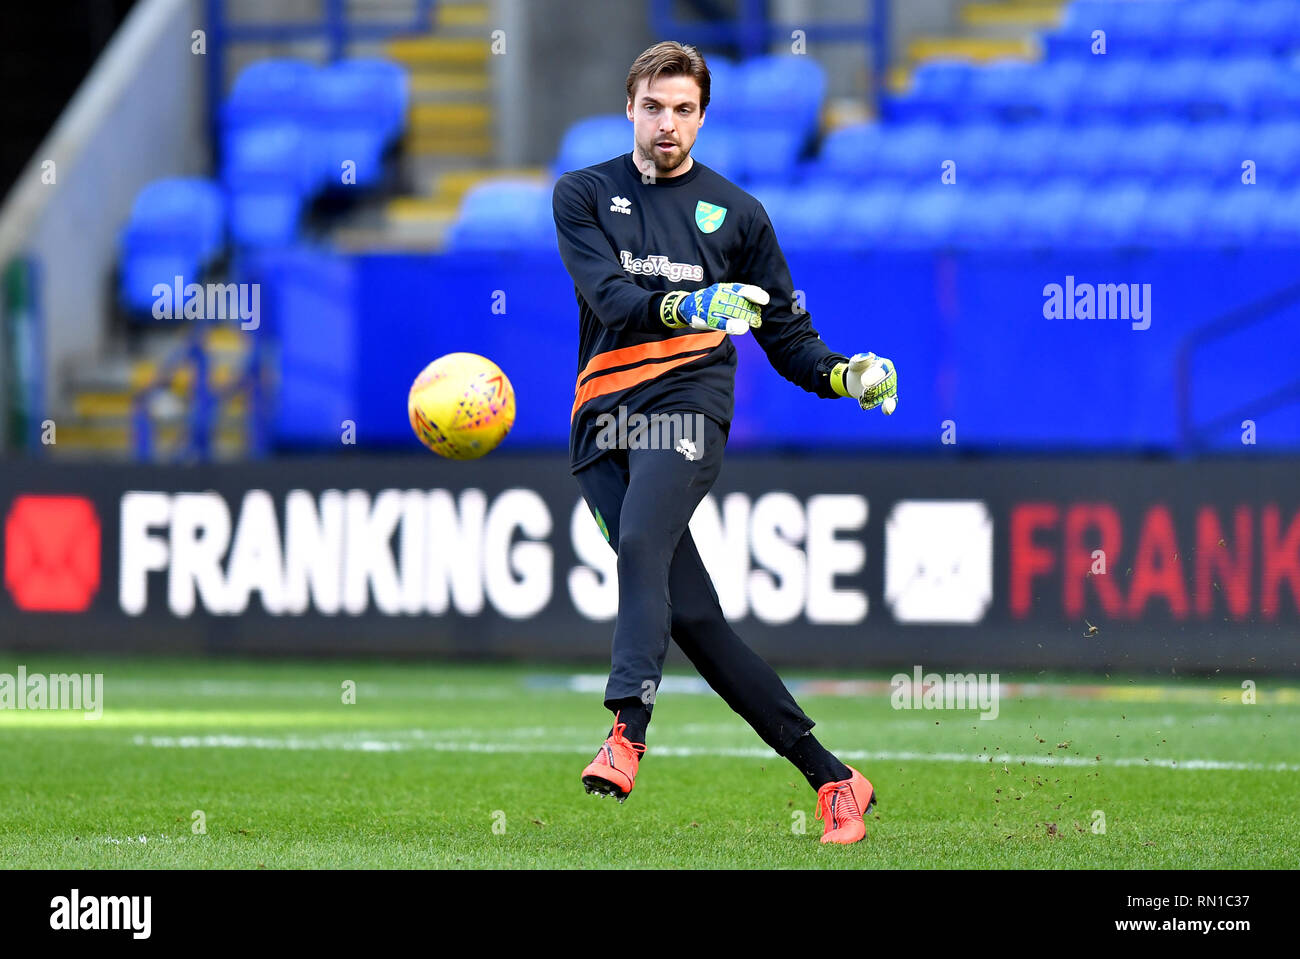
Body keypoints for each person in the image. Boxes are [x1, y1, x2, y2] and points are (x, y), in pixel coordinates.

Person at [551, 40, 898, 844]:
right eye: (652, 107)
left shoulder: (739, 215)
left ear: (702, 116)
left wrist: (848, 374)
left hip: (687, 404)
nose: (666, 124)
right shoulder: (583, 194)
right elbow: (609, 295)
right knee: (699, 622)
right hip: (603, 423)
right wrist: (692, 305)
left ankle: (625, 730)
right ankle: (835, 778)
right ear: (628, 106)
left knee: (642, 538)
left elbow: (787, 336)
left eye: (683, 109)